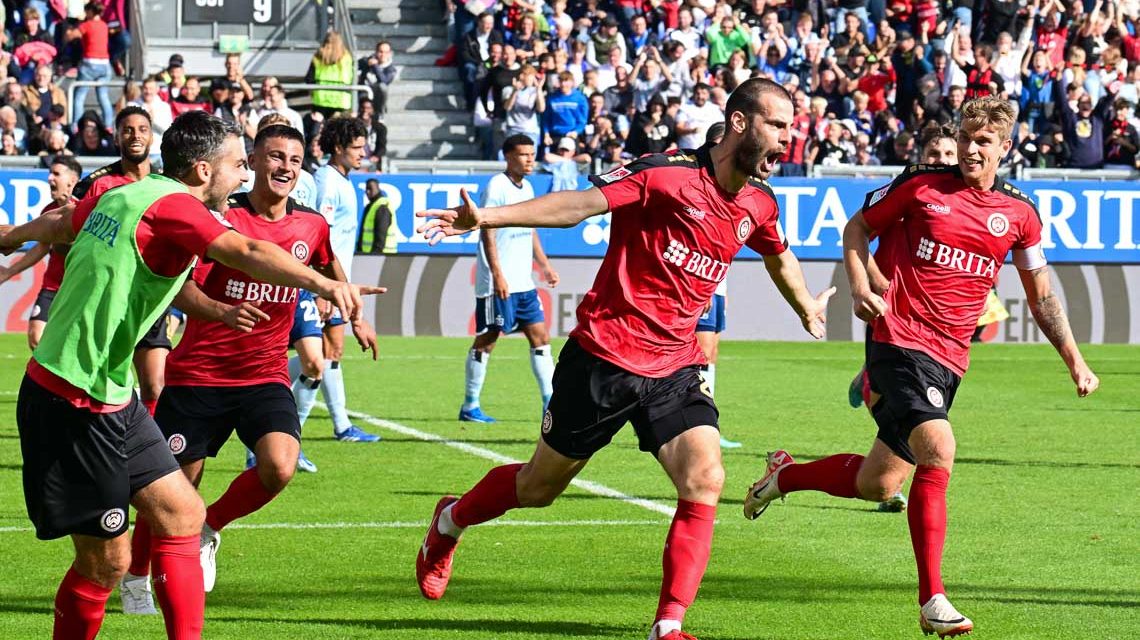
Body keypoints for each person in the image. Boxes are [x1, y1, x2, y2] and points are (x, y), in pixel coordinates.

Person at [415, 78, 835, 640]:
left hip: (675, 367)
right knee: (538, 488)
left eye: (791, 127)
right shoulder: (664, 173)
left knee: (706, 477)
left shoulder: (759, 201)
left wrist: (805, 303)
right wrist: (489, 217)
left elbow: (779, 255)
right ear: (741, 123)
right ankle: (449, 521)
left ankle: (669, 625)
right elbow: (576, 207)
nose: (788, 138)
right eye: (778, 125)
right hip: (603, 357)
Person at [0, 109, 372, 640]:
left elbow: (61, 223)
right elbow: (245, 250)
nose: (245, 176)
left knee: (181, 515)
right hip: (71, 401)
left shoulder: (123, 192)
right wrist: (326, 285)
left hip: (109, 395)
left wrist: (9, 238)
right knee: (105, 562)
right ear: (203, 170)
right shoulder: (176, 207)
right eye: (238, 165)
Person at [743, 97, 1100, 639]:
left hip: (950, 361)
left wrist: (1075, 360)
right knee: (941, 449)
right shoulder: (922, 185)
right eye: (967, 138)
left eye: (984, 141)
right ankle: (932, 599)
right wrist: (862, 286)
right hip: (896, 340)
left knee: (878, 482)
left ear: (1005, 148)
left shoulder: (1021, 214)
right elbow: (856, 228)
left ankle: (783, 476)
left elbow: (1042, 296)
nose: (971, 149)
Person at [132, 124, 379, 596]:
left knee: (280, 466)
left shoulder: (312, 225)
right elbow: (179, 286)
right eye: (274, 157)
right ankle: (136, 578)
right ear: (253, 161)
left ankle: (211, 527)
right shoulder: (220, 219)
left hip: (263, 377)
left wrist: (351, 314)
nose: (285, 167)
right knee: (171, 493)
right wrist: (220, 311)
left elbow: (328, 267)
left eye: (293, 159)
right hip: (200, 376)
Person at [291, 116, 382, 442]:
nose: (363, 153)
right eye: (357, 147)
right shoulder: (327, 181)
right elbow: (317, 235)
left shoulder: (344, 180)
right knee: (315, 358)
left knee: (332, 352)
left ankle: (341, 425)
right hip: (323, 284)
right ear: (339, 148)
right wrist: (321, 289)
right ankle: (292, 434)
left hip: (336, 283)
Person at [458, 134, 559, 424]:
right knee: (488, 340)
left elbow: (532, 229)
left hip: (524, 283)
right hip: (497, 283)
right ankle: (470, 405)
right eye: (523, 155)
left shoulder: (527, 187)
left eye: (532, 154)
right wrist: (498, 275)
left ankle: (549, 403)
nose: (530, 160)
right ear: (508, 157)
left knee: (540, 338)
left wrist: (544, 266)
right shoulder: (496, 186)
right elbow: (486, 231)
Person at [691, 122, 741, 450]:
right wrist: (705, 286)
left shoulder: (732, 191)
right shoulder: (700, 188)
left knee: (712, 353)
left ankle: (707, 425)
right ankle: (701, 426)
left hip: (718, 286)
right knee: (700, 353)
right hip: (702, 286)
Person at [0, 156, 82, 349]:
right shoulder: (48, 211)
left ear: (72, 180)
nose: (49, 178)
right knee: (36, 337)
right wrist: (9, 272)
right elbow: (41, 247)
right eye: (49, 173)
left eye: (56, 174)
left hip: (79, 287)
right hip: (53, 286)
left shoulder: (84, 208)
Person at [73, 2, 115, 129]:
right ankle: (108, 125)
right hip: (105, 64)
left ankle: (77, 126)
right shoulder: (104, 25)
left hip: (90, 63)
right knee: (103, 95)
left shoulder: (87, 25)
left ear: (90, 12)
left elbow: (72, 35)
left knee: (80, 96)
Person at [307, 31, 355, 119]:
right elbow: (352, 78)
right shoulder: (347, 57)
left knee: (319, 128)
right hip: (341, 100)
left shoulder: (318, 56)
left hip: (320, 99)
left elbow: (309, 78)